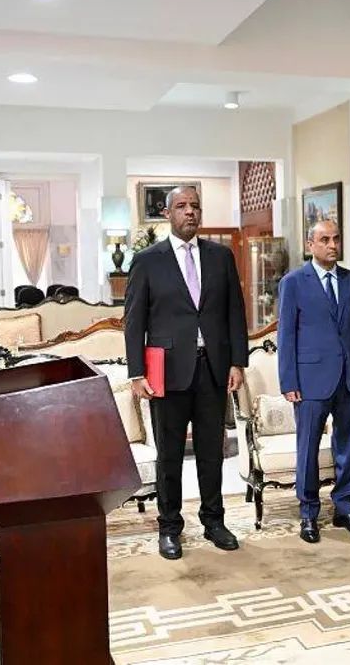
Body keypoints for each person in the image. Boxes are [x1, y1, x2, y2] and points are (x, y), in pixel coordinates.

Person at [123, 186, 248, 560]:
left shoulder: (221, 257)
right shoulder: (148, 260)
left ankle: (214, 521)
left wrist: (237, 362)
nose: (190, 212)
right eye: (181, 206)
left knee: (212, 452)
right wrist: (136, 373)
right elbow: (134, 321)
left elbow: (235, 313)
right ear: (167, 213)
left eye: (195, 206)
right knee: (170, 455)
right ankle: (169, 527)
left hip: (213, 369)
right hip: (167, 372)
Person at [277, 219, 350, 544]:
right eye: (325, 240)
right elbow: (286, 336)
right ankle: (308, 513)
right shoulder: (293, 282)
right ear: (311, 245)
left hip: (347, 379)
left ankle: (345, 508)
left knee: (347, 445)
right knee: (308, 449)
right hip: (310, 381)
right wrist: (288, 381)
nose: (333, 245)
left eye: (336, 239)